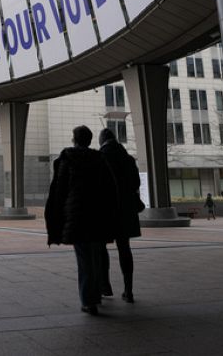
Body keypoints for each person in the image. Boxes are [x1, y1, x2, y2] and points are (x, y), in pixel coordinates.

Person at [45, 125, 116, 316]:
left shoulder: (67, 159)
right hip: (98, 215)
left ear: (74, 139)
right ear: (90, 140)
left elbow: (59, 191)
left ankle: (89, 300)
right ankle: (96, 293)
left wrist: (57, 217)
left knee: (84, 259)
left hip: (77, 216)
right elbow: (110, 188)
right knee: (95, 255)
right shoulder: (99, 159)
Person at [98, 127, 141, 303]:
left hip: (106, 210)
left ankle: (105, 285)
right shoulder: (128, 159)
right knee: (125, 248)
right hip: (126, 210)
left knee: (101, 247)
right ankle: (128, 290)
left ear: (102, 141)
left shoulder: (100, 157)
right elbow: (136, 183)